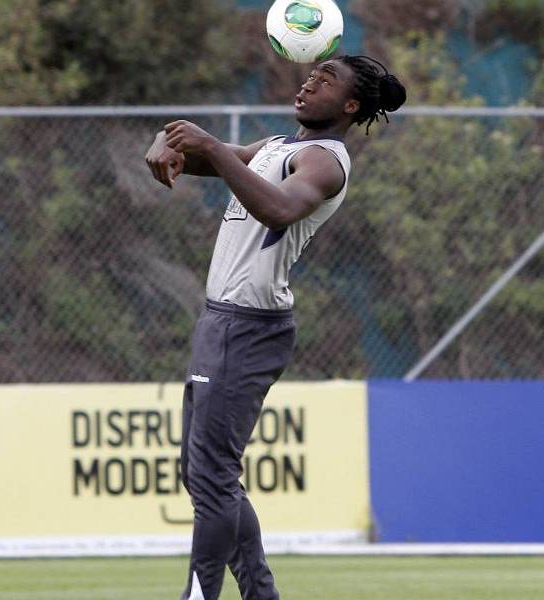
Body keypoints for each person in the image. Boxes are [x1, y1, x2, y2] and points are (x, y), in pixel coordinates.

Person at [144, 55, 406, 600]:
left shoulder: (326, 162)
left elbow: (281, 209)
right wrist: (172, 145)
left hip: (249, 326)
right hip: (220, 318)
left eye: (327, 80)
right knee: (203, 476)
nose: (310, 81)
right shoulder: (277, 148)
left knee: (213, 478)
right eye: (312, 74)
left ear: (351, 106)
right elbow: (218, 166)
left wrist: (211, 145)